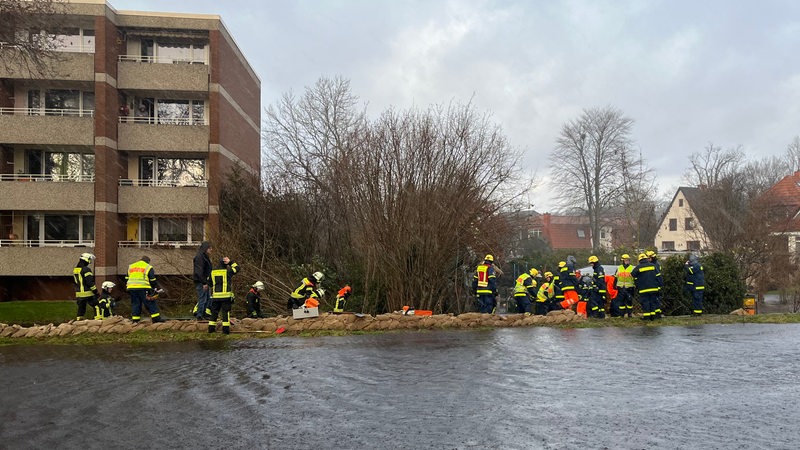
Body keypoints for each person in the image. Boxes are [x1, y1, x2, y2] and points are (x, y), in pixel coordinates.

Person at [126, 255, 165, 324]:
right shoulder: (148, 267)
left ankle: (135, 320)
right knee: (150, 302)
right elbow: (152, 279)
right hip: (143, 288)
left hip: (131, 288)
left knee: (135, 303)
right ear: (148, 261)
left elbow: (126, 278)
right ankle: (156, 318)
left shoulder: (131, 266)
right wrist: (153, 289)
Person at [209, 257, 239, 334]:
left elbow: (210, 283)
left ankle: (211, 330)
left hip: (216, 297)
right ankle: (225, 331)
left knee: (214, 313)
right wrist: (230, 262)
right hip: (225, 296)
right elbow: (237, 268)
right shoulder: (227, 271)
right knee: (225, 313)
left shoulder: (212, 272)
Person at [631, 253, 659, 320]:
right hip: (654, 288)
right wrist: (659, 285)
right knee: (653, 302)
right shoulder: (653, 266)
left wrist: (637, 281)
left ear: (640, 260)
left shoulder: (638, 267)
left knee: (645, 302)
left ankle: (647, 317)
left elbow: (632, 274)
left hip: (644, 289)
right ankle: (653, 316)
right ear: (646, 259)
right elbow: (658, 276)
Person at [72, 252, 99, 321]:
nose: (90, 262)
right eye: (89, 260)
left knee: (81, 309)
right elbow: (89, 282)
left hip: (79, 294)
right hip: (88, 293)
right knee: (97, 306)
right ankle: (98, 320)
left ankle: (78, 322)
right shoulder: (86, 269)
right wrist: (95, 291)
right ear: (86, 259)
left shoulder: (75, 270)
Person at [192, 241, 213, 320]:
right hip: (201, 282)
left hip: (205, 281)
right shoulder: (200, 257)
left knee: (207, 298)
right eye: (210, 248)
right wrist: (204, 282)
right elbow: (199, 272)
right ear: (206, 248)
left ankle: (204, 314)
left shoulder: (204, 256)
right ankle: (200, 315)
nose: (211, 250)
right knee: (203, 299)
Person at [647, 250, 664, 319]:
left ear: (652, 258)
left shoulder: (655, 265)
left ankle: (657, 314)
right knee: (655, 300)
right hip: (654, 285)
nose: (648, 260)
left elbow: (656, 276)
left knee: (656, 300)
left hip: (655, 285)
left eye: (649, 258)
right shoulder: (655, 264)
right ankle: (657, 314)